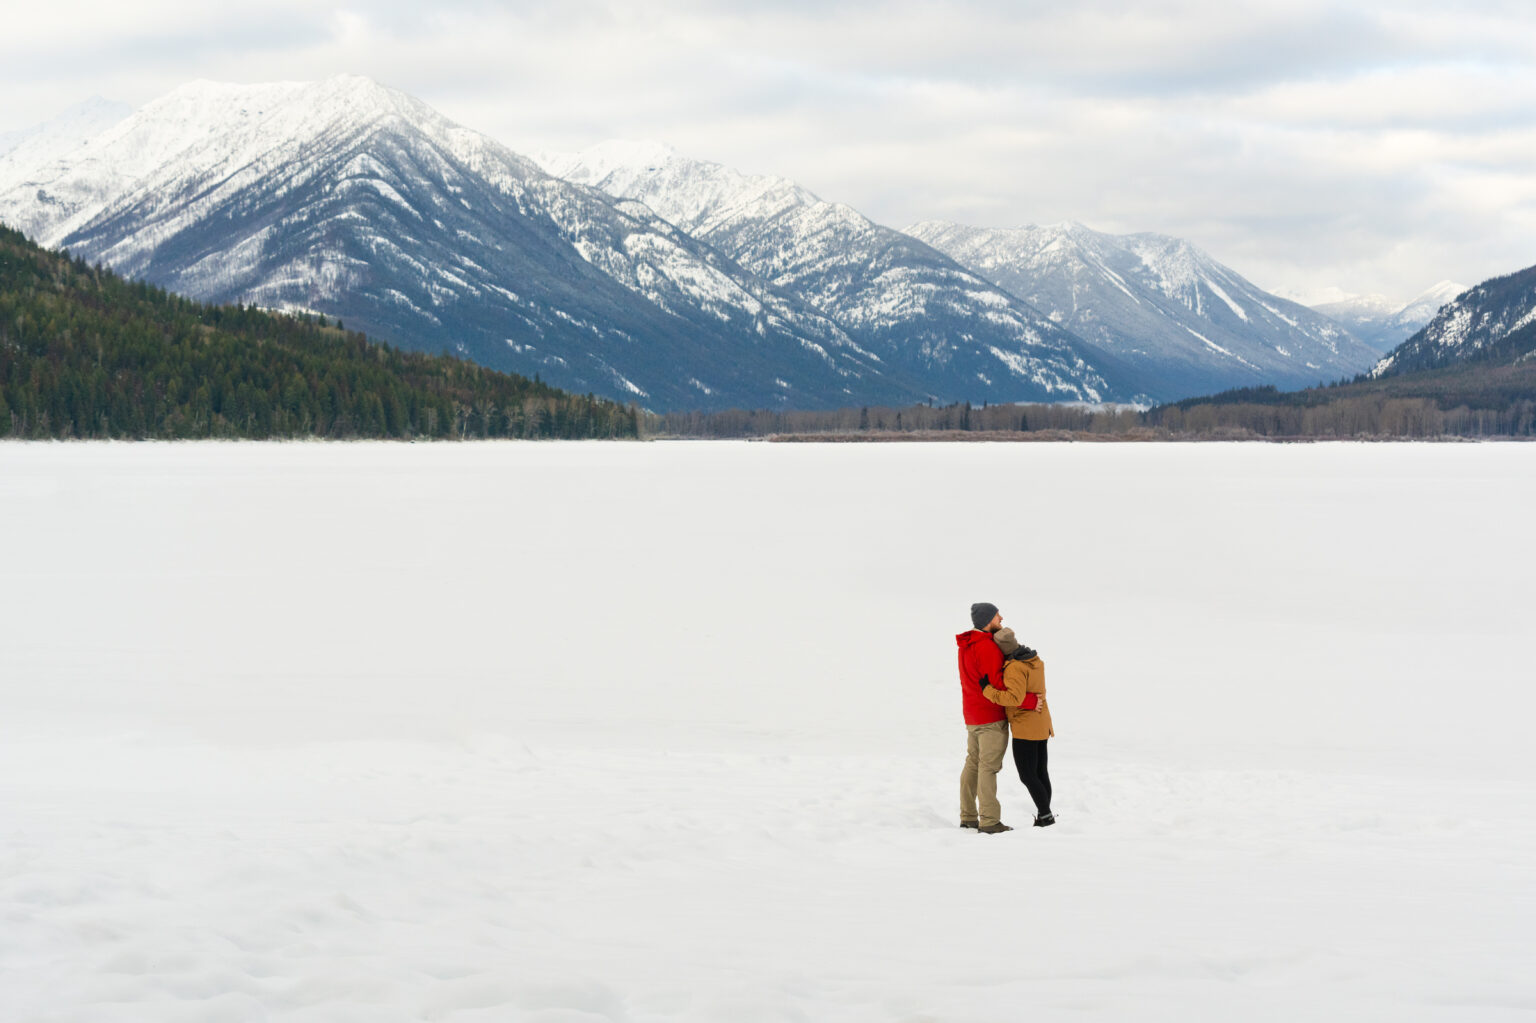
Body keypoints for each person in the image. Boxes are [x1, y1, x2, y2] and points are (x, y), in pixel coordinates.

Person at [955, 602, 1037, 834]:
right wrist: (1029, 701)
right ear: (988, 619)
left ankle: (968, 816)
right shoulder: (987, 648)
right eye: (997, 615)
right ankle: (990, 821)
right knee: (988, 768)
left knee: (973, 764)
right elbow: (999, 687)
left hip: (972, 715)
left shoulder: (965, 646)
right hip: (990, 715)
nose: (1001, 618)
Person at [984, 627, 1055, 827]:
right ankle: (1045, 816)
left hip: (1026, 726)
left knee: (1027, 774)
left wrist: (987, 690)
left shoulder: (1014, 667)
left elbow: (1014, 698)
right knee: (1041, 772)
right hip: (1042, 723)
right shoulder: (1034, 661)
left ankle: (1046, 815)